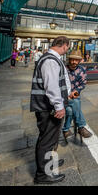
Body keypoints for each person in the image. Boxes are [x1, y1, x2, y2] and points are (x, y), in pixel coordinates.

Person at [30, 36, 73, 184]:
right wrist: (59, 106)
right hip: (48, 108)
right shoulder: (50, 60)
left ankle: (50, 162)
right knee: (47, 140)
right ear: (65, 46)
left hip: (50, 106)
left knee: (52, 138)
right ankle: (43, 175)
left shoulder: (52, 59)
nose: (68, 49)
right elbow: (52, 86)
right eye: (68, 47)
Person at [62, 50, 92, 141]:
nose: (74, 62)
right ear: (69, 59)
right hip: (62, 97)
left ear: (79, 61)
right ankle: (81, 126)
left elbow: (83, 84)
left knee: (71, 110)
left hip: (74, 95)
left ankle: (66, 129)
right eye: (72, 60)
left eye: (76, 60)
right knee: (75, 103)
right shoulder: (63, 69)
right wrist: (66, 94)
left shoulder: (82, 70)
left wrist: (75, 92)